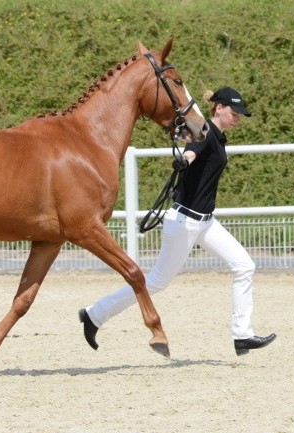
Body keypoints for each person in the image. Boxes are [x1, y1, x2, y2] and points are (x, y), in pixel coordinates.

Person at [79, 87, 276, 356]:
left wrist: (184, 140)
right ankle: (94, 314)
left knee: (244, 266)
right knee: (157, 282)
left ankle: (242, 336)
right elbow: (193, 148)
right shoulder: (206, 131)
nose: (238, 118)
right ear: (219, 108)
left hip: (205, 223)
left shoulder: (216, 135)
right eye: (234, 112)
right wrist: (185, 159)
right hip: (185, 222)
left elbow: (185, 135)